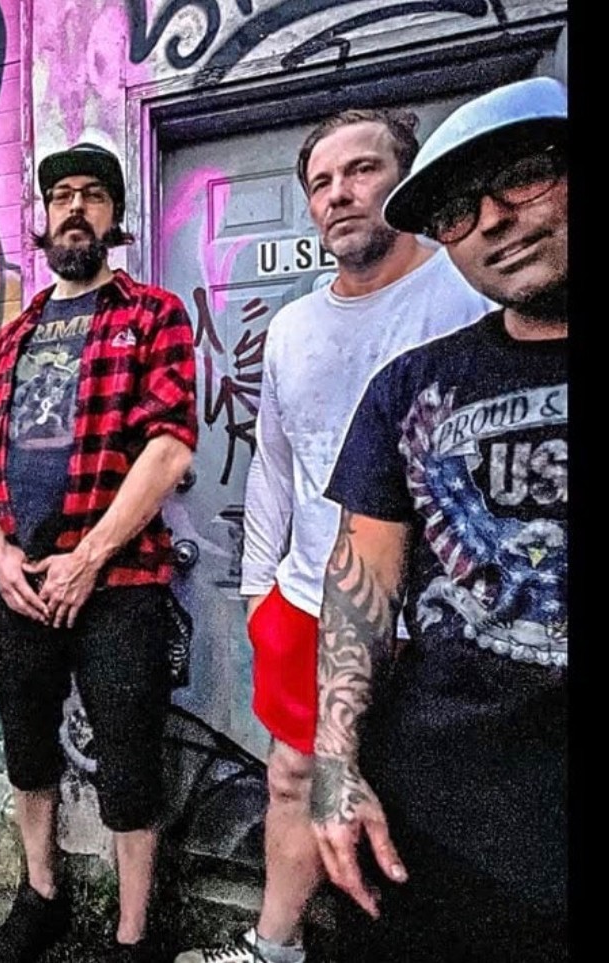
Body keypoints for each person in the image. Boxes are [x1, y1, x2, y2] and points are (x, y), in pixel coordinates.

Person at [173, 109, 492, 963]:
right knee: (295, 780)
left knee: (437, 802)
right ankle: (275, 945)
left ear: (406, 179)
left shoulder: (468, 292)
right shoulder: (295, 327)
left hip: (445, 619)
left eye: (362, 170)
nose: (339, 194)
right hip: (311, 601)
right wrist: (259, 592)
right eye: (320, 182)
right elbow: (275, 467)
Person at [310, 76, 568, 961]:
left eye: (523, 177)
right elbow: (362, 587)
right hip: (430, 829)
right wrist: (336, 767)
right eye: (459, 210)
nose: (494, 220)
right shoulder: (411, 389)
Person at [0, 142, 198, 963]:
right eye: (61, 194)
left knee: (129, 767)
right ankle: (42, 893)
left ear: (114, 216)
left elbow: (170, 447)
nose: (74, 207)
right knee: (28, 753)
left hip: (121, 584)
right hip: (23, 584)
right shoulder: (17, 333)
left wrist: (90, 557)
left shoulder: (153, 315)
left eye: (93, 195)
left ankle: (133, 933)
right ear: (42, 216)